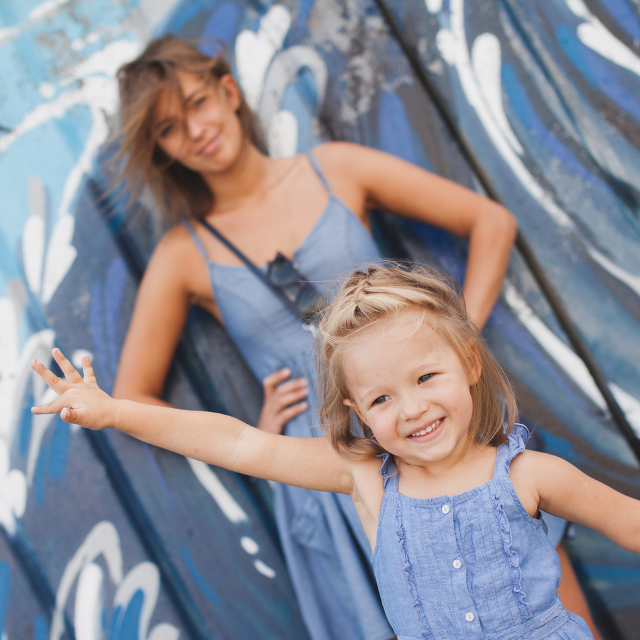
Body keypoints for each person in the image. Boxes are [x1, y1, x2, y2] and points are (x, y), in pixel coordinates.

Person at [108, 35, 598, 639]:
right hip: (329, 474)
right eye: (168, 130)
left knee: (537, 598)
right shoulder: (183, 255)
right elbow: (132, 394)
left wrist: (447, 344)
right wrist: (264, 425)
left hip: (429, 427)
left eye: (197, 104)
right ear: (161, 151)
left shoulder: (335, 167)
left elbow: (490, 222)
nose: (195, 131)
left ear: (228, 92)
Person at [31, 264, 638, 639]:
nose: (411, 410)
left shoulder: (530, 475)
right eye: (381, 400)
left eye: (426, 379)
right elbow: (239, 442)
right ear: (358, 414)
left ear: (470, 363)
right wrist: (114, 411)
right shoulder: (370, 480)